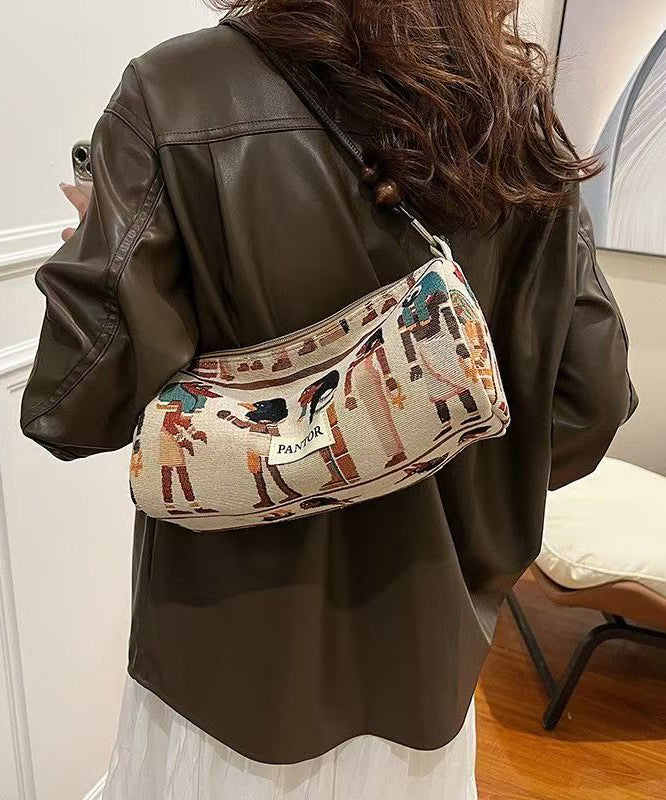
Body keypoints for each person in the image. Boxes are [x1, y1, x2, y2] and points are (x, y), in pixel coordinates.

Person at [21, 2, 637, 797]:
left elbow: (73, 408)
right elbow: (586, 406)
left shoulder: (171, 90)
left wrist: (94, 249)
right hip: (425, 651)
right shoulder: (505, 107)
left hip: (218, 664)